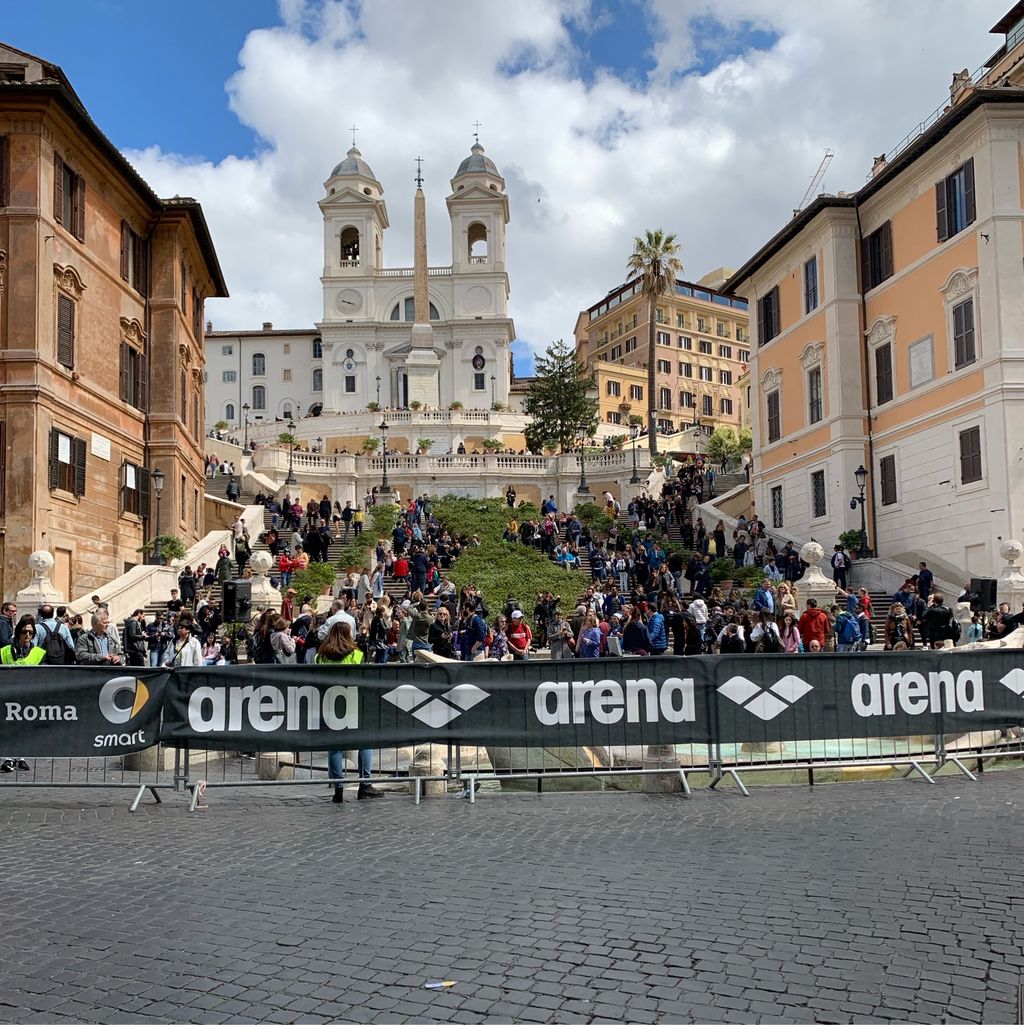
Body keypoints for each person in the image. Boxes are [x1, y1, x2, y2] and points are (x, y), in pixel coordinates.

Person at [317, 622, 384, 802]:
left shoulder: (321, 656)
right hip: (354, 702)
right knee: (364, 742)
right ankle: (365, 784)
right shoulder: (356, 654)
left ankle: (338, 788)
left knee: (335, 746)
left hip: (330, 703)